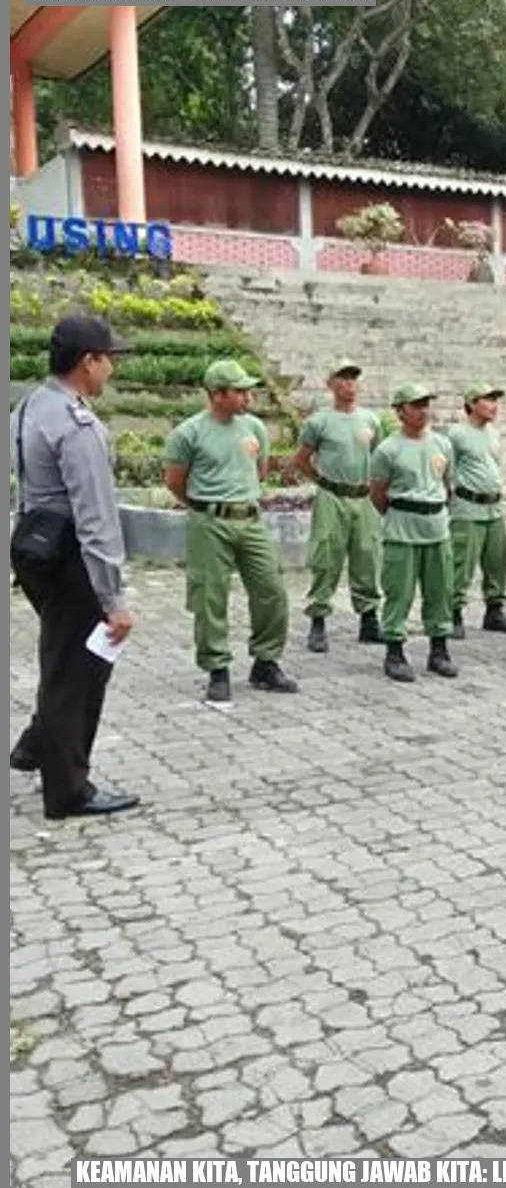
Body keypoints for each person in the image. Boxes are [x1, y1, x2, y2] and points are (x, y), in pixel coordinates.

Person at [9, 314, 139, 819]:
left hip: (36, 551)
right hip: (73, 561)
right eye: (109, 360)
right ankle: (68, 790)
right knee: (78, 674)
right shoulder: (77, 424)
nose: (112, 370)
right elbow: (96, 519)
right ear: (88, 362)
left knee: (61, 657)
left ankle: (36, 745)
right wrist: (114, 599)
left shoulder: (29, 407)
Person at [164, 359, 298, 703]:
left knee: (271, 589)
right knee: (210, 596)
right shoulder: (188, 433)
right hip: (210, 521)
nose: (247, 396)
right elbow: (176, 482)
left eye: (247, 390)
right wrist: (207, 507)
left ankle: (266, 662)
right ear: (216, 394)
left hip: (251, 519)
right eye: (239, 391)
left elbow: (261, 470)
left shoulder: (254, 427)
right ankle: (217, 669)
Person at [369, 382, 458, 682]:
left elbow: (448, 485)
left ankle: (439, 649)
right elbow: (378, 493)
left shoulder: (442, 444)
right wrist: (400, 514)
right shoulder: (388, 449)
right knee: (399, 591)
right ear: (400, 411)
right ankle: (394, 651)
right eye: (415, 405)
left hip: (437, 528)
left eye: (425, 404)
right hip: (402, 529)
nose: (423, 410)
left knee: (440, 591)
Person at [294, 359, 384, 652]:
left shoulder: (370, 420)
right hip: (332, 495)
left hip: (363, 495)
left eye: (353, 379)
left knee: (368, 555)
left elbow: (378, 458)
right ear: (330, 384)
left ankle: (369, 619)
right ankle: (318, 621)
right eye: (342, 379)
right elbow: (301, 459)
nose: (349, 385)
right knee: (326, 556)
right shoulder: (319, 421)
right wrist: (321, 481)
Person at [447, 382, 506, 638]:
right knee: (461, 563)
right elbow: (447, 471)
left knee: (497, 561)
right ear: (472, 404)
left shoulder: (493, 433)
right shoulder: (456, 435)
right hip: (468, 506)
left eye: (495, 400)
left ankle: (495, 609)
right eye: (487, 400)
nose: (493, 406)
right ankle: (453, 612)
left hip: (494, 506)